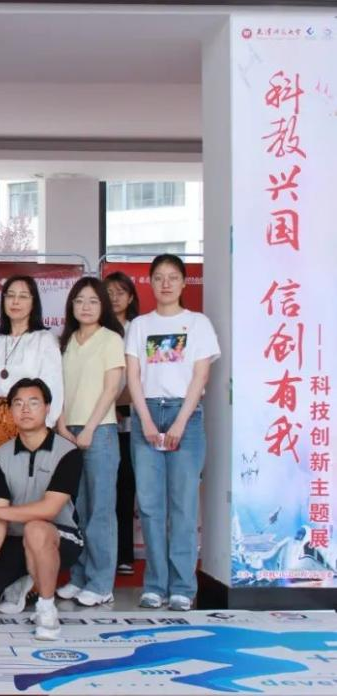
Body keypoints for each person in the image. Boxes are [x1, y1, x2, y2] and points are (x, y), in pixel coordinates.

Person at [0, 378, 83, 643]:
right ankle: (21, 581)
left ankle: (46, 608)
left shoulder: (68, 452)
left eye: (33, 403)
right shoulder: (1, 456)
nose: (25, 410)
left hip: (59, 536)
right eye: (18, 404)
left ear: (47, 408)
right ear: (10, 411)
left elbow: (49, 509)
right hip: (14, 538)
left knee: (35, 530)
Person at [125, 254, 219, 611]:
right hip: (147, 415)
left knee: (183, 506)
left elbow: (200, 375)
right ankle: (155, 585)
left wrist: (180, 422)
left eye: (173, 277)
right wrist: (146, 422)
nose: (166, 284)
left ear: (183, 282)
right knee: (150, 506)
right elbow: (133, 376)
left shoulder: (198, 324)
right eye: (159, 277)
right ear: (150, 282)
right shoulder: (139, 325)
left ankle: (182, 586)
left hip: (186, 416)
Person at [54, 277, 126, 607]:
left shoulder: (111, 339)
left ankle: (101, 582)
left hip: (100, 431)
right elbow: (58, 388)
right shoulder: (66, 341)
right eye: (80, 300)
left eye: (93, 301)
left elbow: (111, 390)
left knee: (100, 510)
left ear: (103, 306)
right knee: (76, 509)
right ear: (71, 305)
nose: (86, 307)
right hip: (67, 431)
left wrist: (89, 429)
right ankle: (79, 576)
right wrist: (61, 426)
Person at [0, 276, 63, 453]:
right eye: (10, 295)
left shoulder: (44, 340)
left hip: (32, 422)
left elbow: (54, 389)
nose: (15, 301)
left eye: (23, 296)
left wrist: (45, 428)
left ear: (34, 302)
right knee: (0, 469)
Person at [105, 271, 141, 576]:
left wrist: (120, 405)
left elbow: (140, 376)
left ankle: (124, 554)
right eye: (109, 292)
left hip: (130, 420)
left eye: (120, 292)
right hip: (98, 419)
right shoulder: (97, 329)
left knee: (125, 488)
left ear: (130, 297)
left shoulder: (138, 329)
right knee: (101, 492)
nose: (114, 298)